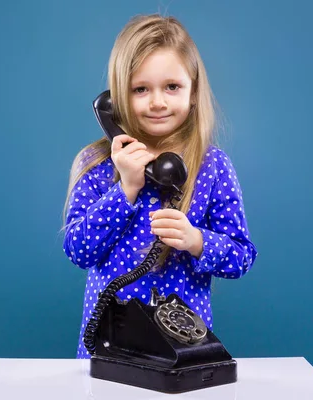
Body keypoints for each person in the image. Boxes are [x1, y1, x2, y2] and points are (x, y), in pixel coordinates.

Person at [62, 14, 258, 359]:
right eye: (141, 89)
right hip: (109, 349)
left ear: (194, 92)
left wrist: (197, 241)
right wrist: (124, 191)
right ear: (116, 98)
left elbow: (241, 257)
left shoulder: (212, 166)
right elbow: (79, 251)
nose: (157, 102)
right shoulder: (95, 163)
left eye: (172, 87)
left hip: (179, 352)